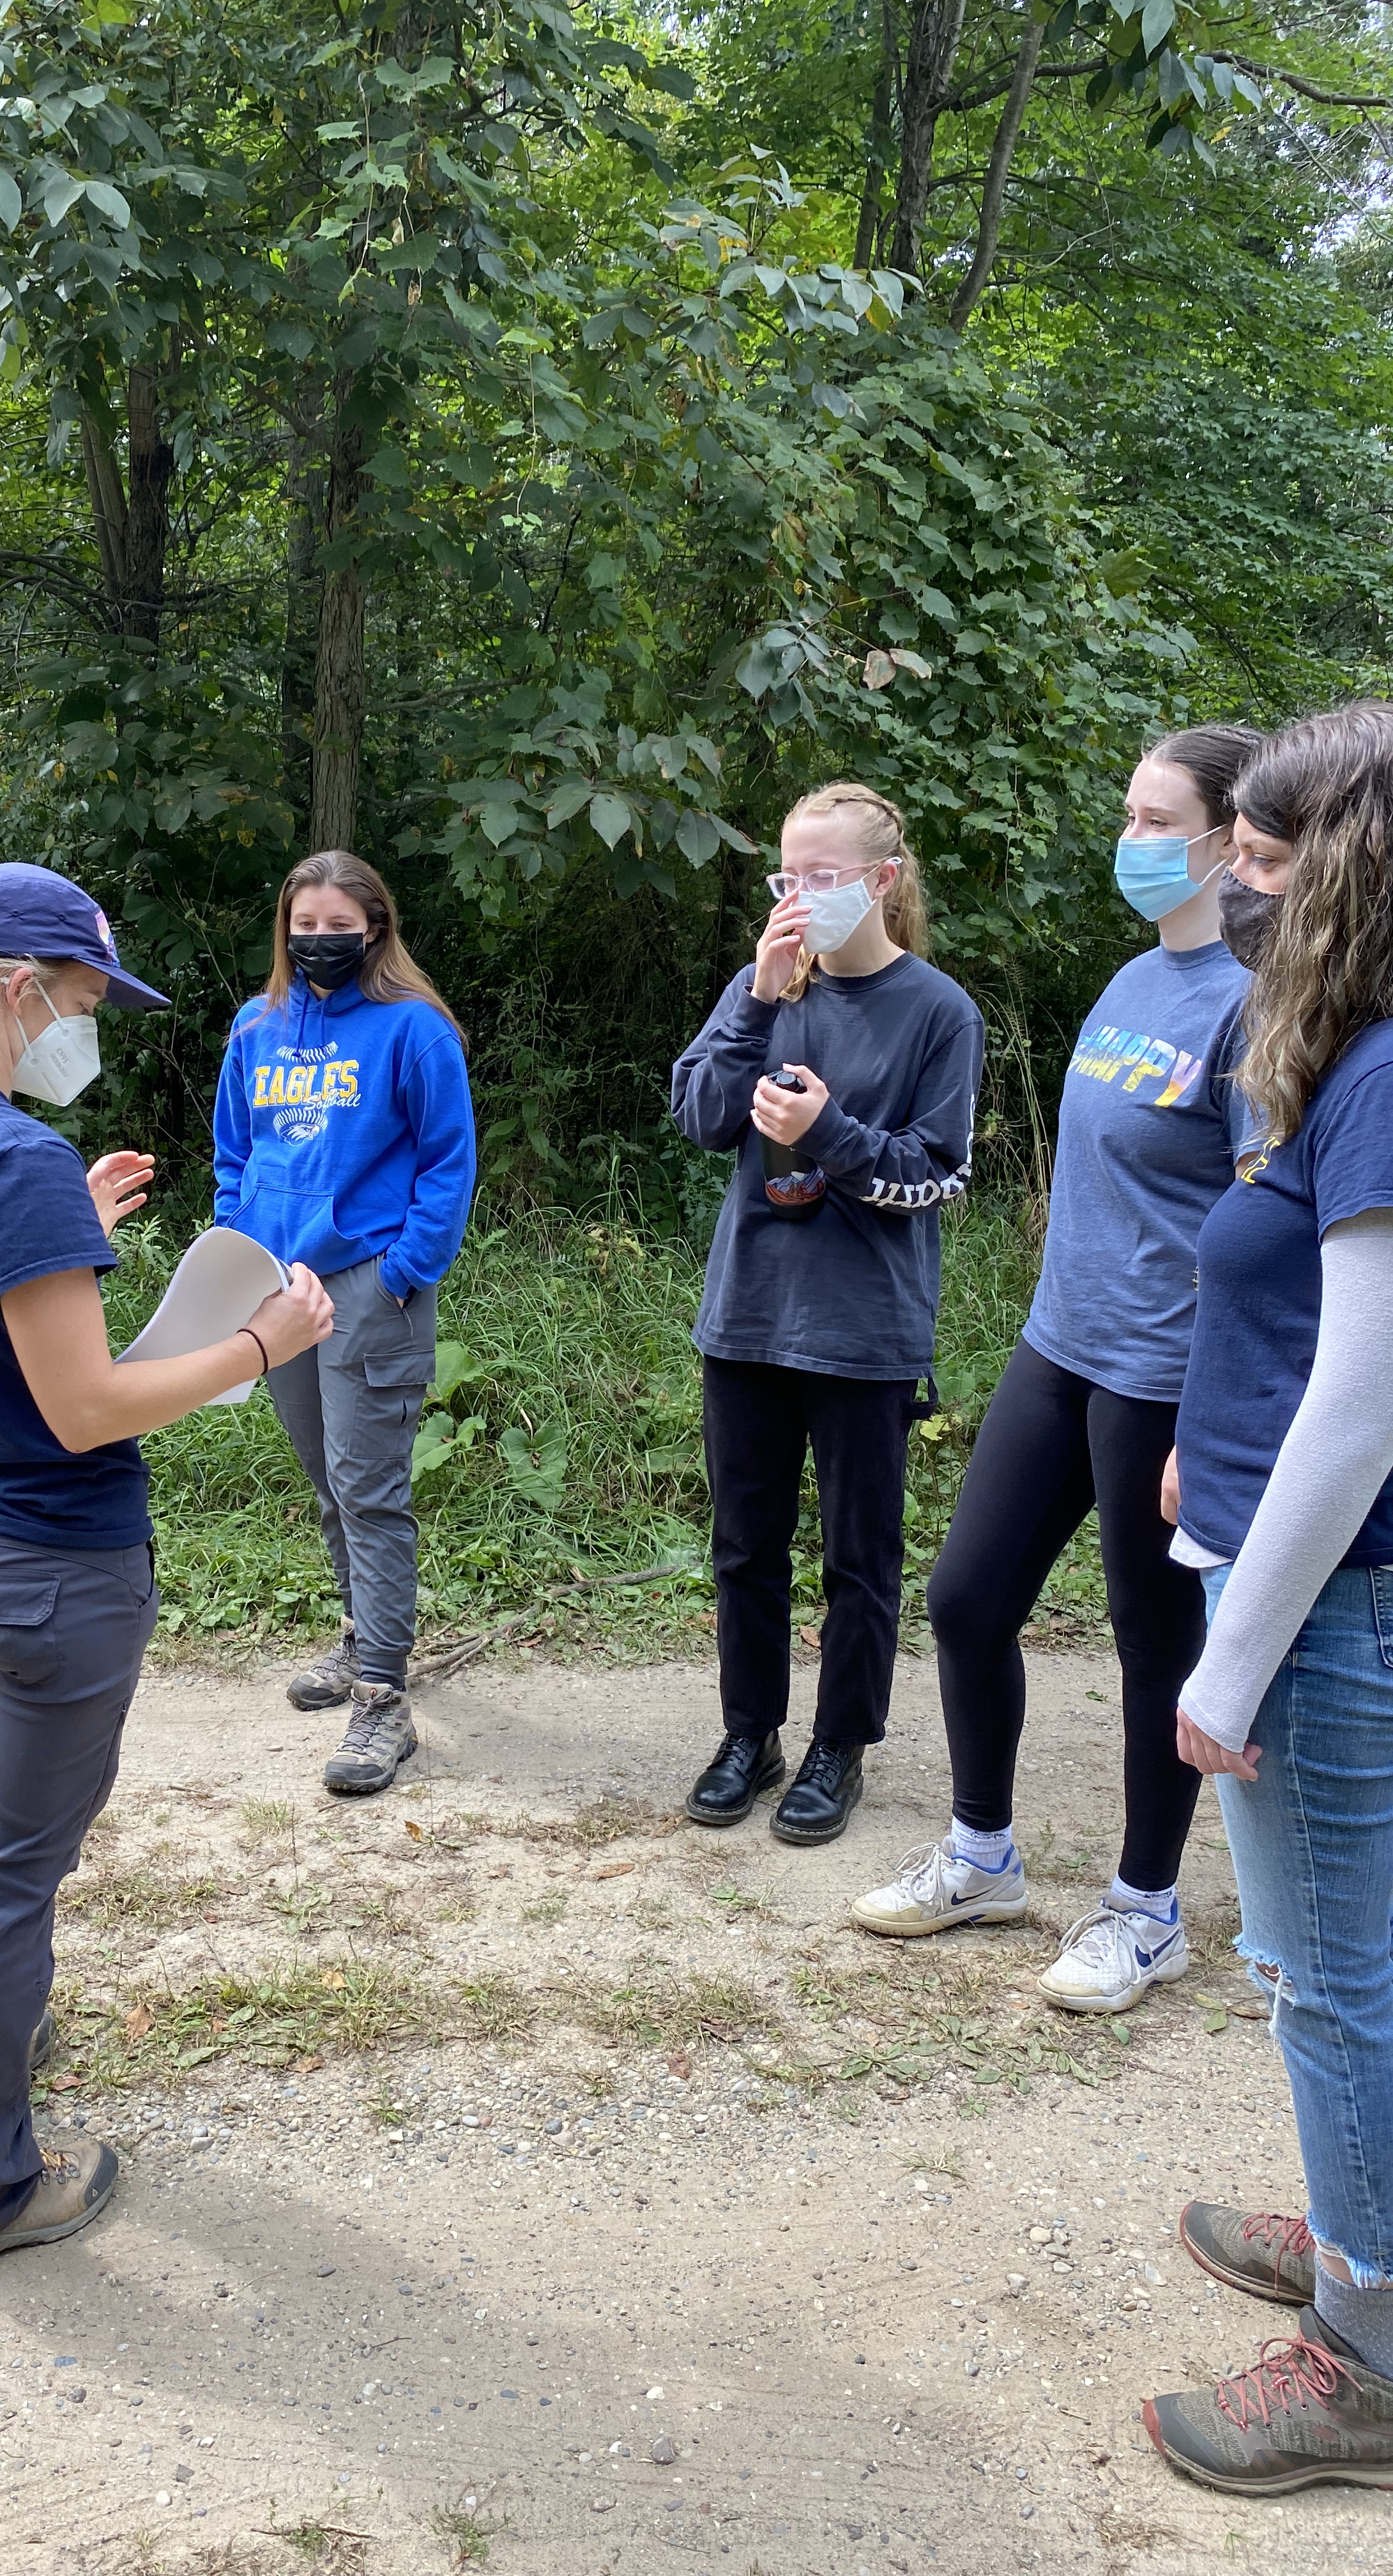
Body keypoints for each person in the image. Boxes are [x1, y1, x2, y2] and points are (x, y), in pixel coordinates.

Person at [0, 862, 332, 2285]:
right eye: (87, 1001)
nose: (85, 1032)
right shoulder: (11, 1158)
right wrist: (263, 1346)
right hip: (50, 1573)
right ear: (24, 990)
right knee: (14, 1877)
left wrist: (72, 1241)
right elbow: (86, 1408)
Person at [853, 726, 1263, 2011]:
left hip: (1165, 1373)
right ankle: (984, 1857)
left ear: (1225, 841)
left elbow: (1266, 1231)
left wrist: (1220, 1409)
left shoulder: (1259, 1007)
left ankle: (1147, 1912)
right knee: (969, 1600)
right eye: (1129, 815)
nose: (1132, 841)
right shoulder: (1137, 979)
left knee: (1155, 1648)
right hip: (1062, 1346)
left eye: (1158, 821)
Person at [1137, 705, 1393, 2494]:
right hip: (1281, 1560)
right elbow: (1298, 1337)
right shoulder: (1352, 1047)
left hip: (1328, 1610)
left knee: (1332, 1980)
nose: (1233, 882)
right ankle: (1359, 2217)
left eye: (1259, 856)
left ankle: (1368, 2350)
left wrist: (1229, 1660)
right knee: (1340, 1965)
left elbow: (1370, 1398)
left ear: (1346, 870)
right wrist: (1203, 1461)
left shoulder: (1386, 1073)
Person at [669, 783, 984, 1843]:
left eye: (824, 876)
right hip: (748, 1315)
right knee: (744, 1545)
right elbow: (702, 1118)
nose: (800, 897)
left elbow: (937, 1181)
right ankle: (748, 1732)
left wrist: (830, 1132)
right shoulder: (764, 988)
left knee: (862, 1554)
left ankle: (840, 1746)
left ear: (883, 883)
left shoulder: (939, 1012)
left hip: (864, 1331)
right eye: (787, 877)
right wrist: (757, 998)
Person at [213, 848, 476, 1797]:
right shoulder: (258, 1023)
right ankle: (363, 1634)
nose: (319, 941)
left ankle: (383, 1701)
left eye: (338, 926)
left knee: (371, 1490)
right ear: (285, 927)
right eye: (305, 925)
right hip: (278, 1289)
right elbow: (235, 1153)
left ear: (376, 927)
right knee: (329, 1481)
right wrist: (239, 1252)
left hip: (369, 1283)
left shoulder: (414, 1030)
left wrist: (405, 1273)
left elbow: (448, 1165)